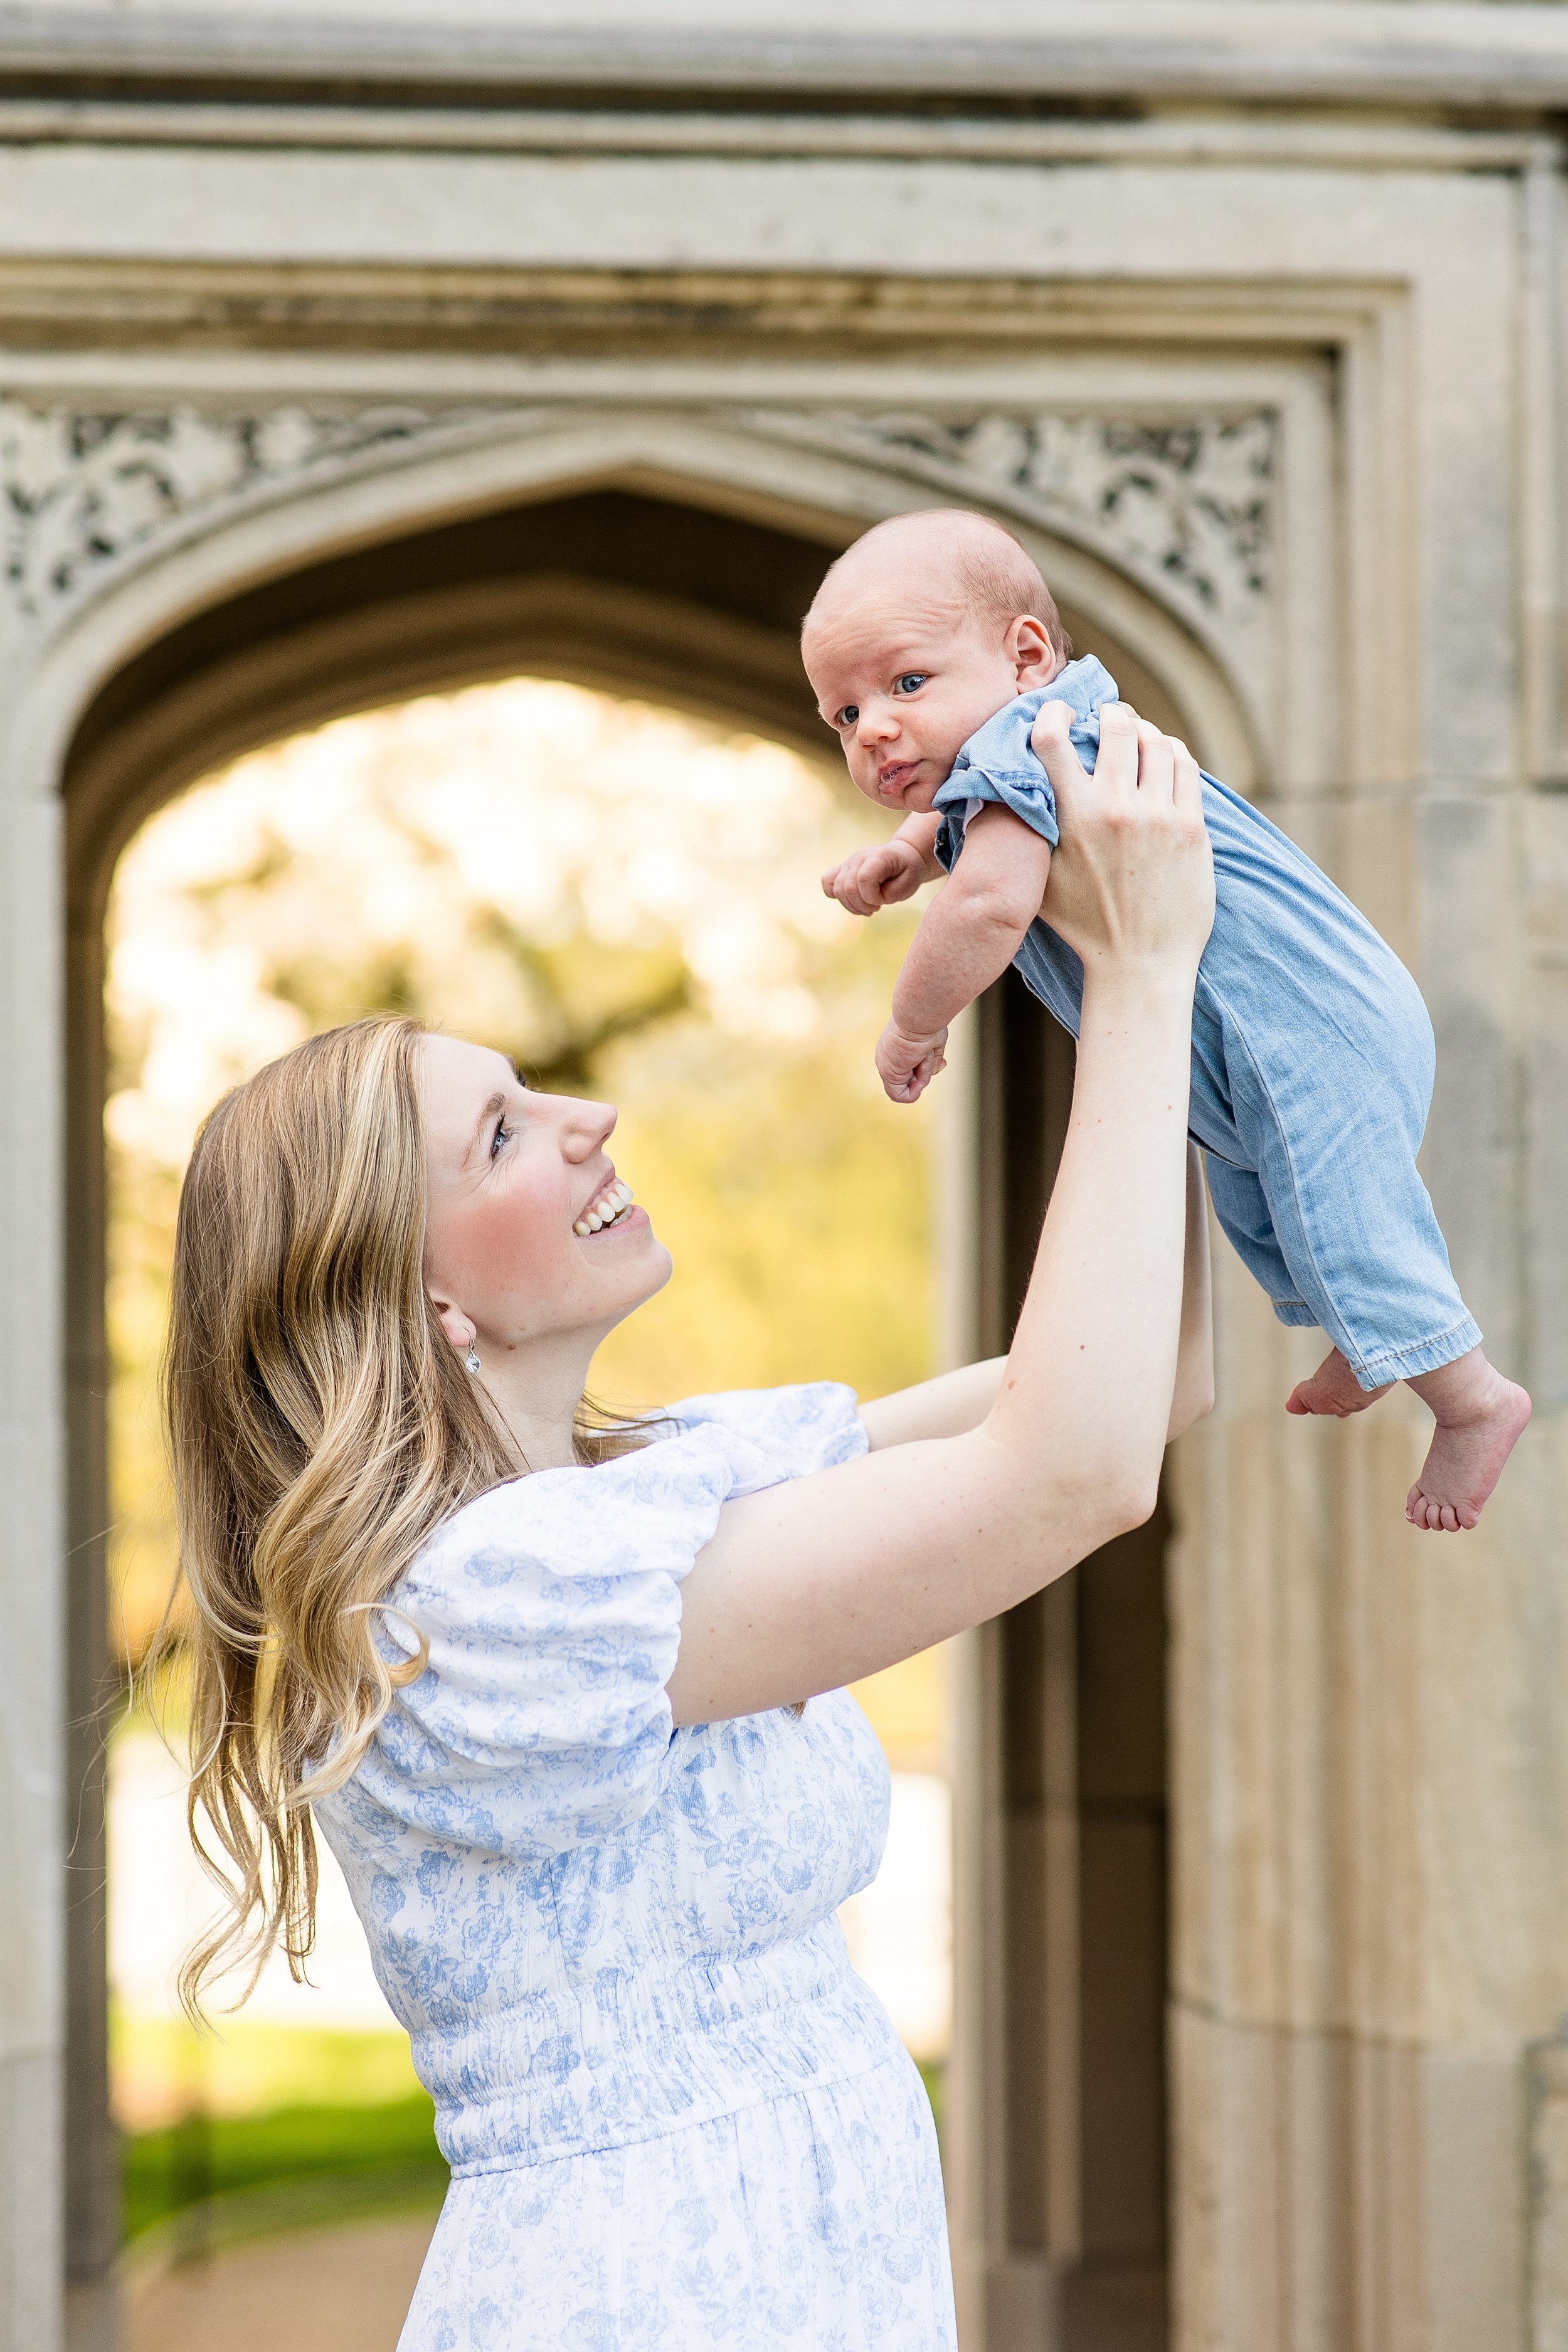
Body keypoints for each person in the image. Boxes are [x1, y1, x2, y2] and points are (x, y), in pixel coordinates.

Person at [161, 709, 1214, 2351]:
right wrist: (1145, 977)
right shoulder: (491, 1603)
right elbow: (1066, 1471)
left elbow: (1134, 1380)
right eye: (501, 1132)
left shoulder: (634, 1497)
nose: (586, 1114)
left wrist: (1211, 1008)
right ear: (416, 1292)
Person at [806, 507, 1531, 1535]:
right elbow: (982, 816)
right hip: (1285, 1039)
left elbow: (989, 904)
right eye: (842, 714)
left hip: (1307, 1036)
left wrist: (911, 1026)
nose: (873, 727)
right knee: (1263, 1192)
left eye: (906, 684)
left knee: (1347, 1211)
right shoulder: (1029, 747)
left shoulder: (1026, 752)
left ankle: (1471, 1397)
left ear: (1025, 658)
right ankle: (1362, 1325)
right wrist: (913, 847)